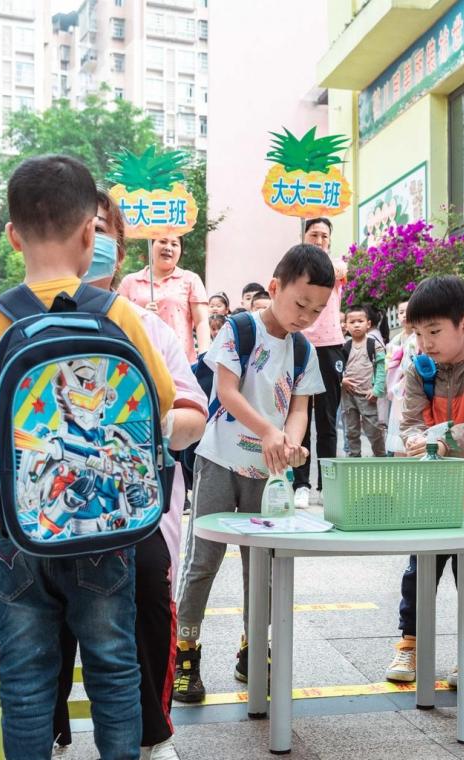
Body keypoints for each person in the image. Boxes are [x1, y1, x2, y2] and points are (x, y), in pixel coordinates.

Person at [0, 155, 176, 759]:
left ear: (12, 235)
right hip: (106, 533)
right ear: (91, 233)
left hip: (18, 532)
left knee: (26, 679)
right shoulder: (117, 313)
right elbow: (159, 401)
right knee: (114, 668)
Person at [48, 189, 208, 760]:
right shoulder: (16, 318)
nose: (90, 242)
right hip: (47, 509)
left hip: (131, 511)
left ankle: (151, 731)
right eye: (78, 228)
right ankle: (47, 726)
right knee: (45, 618)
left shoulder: (146, 327)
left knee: (144, 597)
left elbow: (192, 413)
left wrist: (137, 423)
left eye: (101, 230)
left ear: (116, 248)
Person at [173, 244, 333, 702]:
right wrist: (269, 430)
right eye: (301, 303)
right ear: (276, 288)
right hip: (220, 460)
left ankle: (252, 648)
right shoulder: (239, 330)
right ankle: (185, 650)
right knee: (202, 561)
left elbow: (300, 408)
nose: (306, 315)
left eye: (317, 310)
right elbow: (225, 391)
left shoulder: (304, 351)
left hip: (267, 473)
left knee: (260, 565)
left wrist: (291, 440)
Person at [385, 276, 464, 686]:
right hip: (431, 495)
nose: (425, 343)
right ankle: (409, 645)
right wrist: (415, 437)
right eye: (418, 333)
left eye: (434, 332)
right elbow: (410, 420)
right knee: (419, 571)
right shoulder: (421, 370)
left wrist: (435, 441)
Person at [293, 217, 348, 509]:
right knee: (299, 416)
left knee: (327, 419)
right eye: (313, 234)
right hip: (300, 344)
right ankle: (300, 483)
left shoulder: (335, 265)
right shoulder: (294, 266)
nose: (319, 240)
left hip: (329, 346)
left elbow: (339, 269)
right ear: (303, 236)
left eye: (324, 236)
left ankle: (326, 484)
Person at [118, 236, 210, 362]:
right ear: (151, 245)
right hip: (139, 361)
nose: (168, 248)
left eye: (174, 244)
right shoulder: (130, 281)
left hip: (180, 361)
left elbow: (202, 322)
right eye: (162, 241)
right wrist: (141, 317)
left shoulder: (190, 279)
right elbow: (118, 321)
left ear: (180, 251)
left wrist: (204, 357)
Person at [341, 306, 387, 458]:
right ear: (346, 326)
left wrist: (377, 390)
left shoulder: (373, 345)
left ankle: (380, 456)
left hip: (368, 394)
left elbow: (381, 368)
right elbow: (339, 368)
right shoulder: (344, 347)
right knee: (351, 430)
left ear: (368, 324)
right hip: (348, 395)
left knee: (374, 429)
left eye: (360, 321)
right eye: (352, 322)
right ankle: (354, 458)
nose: (356, 325)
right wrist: (342, 380)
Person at [384, 299, 416, 455]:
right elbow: (389, 365)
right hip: (398, 391)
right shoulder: (395, 340)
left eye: (408, 311)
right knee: (398, 431)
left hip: (412, 388)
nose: (405, 315)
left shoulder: (418, 337)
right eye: (401, 312)